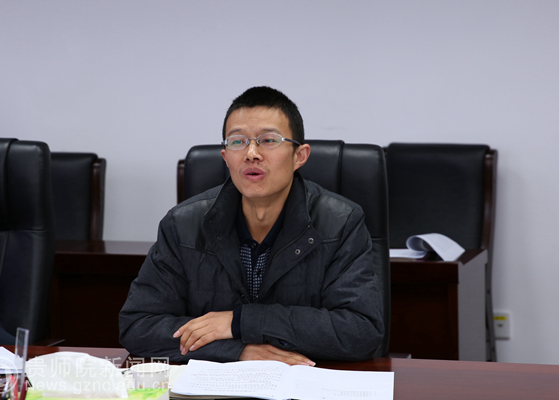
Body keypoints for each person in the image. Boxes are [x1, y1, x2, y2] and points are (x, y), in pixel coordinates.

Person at [119, 86, 384, 365]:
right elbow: (139, 326)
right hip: (216, 384)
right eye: (238, 141)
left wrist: (240, 322)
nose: (251, 153)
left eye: (268, 140)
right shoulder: (183, 224)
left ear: (300, 156)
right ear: (226, 157)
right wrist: (238, 351)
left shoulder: (340, 223)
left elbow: (361, 330)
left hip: (308, 380)